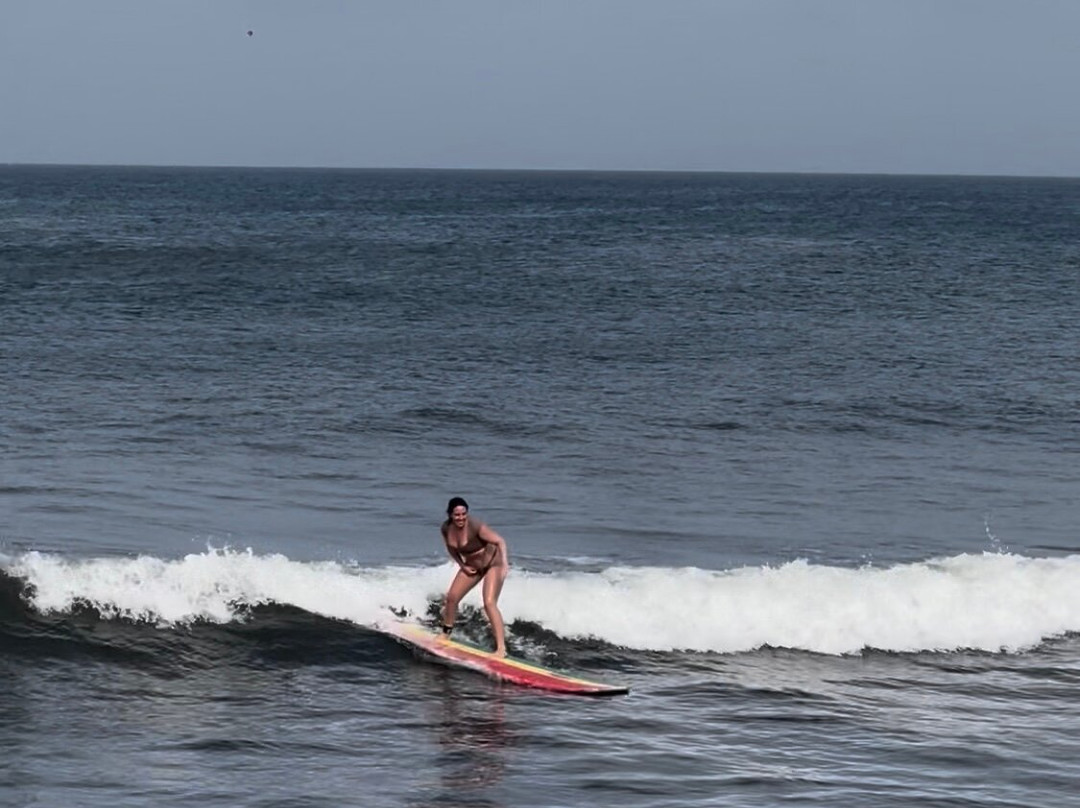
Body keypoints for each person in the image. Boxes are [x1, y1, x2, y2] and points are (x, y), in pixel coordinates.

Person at [440, 496, 510, 657]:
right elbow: (452, 549)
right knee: (452, 597)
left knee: (489, 603)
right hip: (473, 565)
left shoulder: (475, 525)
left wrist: (505, 565)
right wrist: (462, 565)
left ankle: (501, 649)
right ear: (450, 515)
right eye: (457, 515)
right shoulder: (446, 528)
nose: (461, 518)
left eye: (464, 514)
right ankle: (446, 633)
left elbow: (500, 541)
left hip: (494, 563)